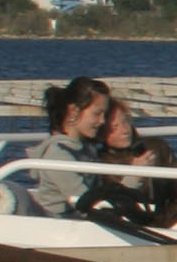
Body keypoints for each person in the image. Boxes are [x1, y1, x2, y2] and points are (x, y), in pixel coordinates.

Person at [78, 93, 177, 230]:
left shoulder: (157, 147)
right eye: (114, 128)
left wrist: (166, 227)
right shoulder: (102, 164)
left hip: (168, 226)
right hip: (131, 231)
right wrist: (135, 175)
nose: (125, 130)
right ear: (102, 134)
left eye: (125, 122)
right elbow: (113, 206)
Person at [14, 77, 112, 214]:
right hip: (60, 225)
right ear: (73, 111)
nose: (102, 121)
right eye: (97, 114)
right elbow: (85, 202)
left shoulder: (87, 149)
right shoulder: (58, 154)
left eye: (105, 114)